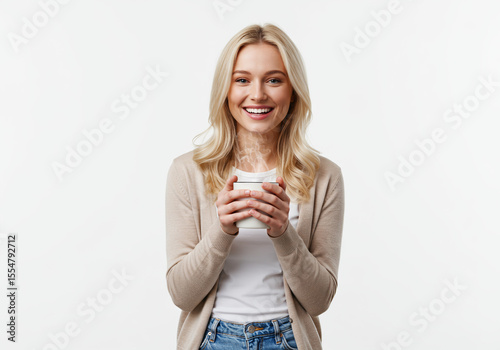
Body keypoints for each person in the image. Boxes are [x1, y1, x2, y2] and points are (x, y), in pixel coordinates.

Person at [165, 23, 345, 350]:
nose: (258, 94)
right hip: (213, 339)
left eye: (274, 80)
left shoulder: (324, 177)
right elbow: (181, 294)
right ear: (226, 90)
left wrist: (283, 233)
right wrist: (222, 230)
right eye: (242, 80)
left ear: (293, 91)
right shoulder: (187, 172)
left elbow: (319, 301)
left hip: (289, 340)